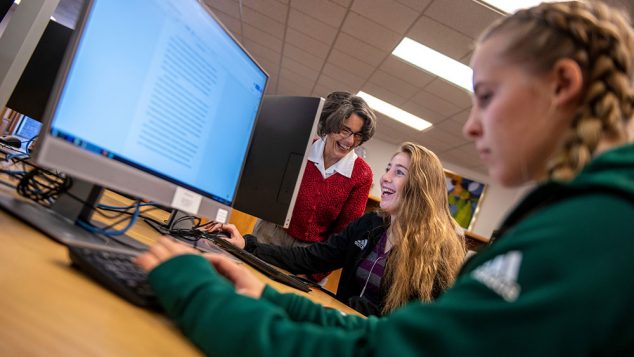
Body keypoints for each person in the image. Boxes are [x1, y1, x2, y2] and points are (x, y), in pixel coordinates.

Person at [135, 1, 634, 355]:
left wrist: (196, 291)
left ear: (562, 84)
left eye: (487, 95)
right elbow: (396, 339)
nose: (471, 125)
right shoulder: (580, 216)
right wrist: (264, 293)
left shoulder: (593, 234)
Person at [209, 142, 466, 316]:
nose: (385, 178)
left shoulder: (438, 250)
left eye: (399, 172)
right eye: (388, 169)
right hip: (344, 332)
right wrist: (248, 245)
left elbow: (427, 327)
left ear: (420, 186)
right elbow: (312, 257)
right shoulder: (369, 226)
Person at [252, 91, 376, 250]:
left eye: (358, 135)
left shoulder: (361, 174)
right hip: (270, 233)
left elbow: (345, 233)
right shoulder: (300, 146)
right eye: (345, 130)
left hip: (311, 252)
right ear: (330, 125)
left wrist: (316, 273)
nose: (350, 141)